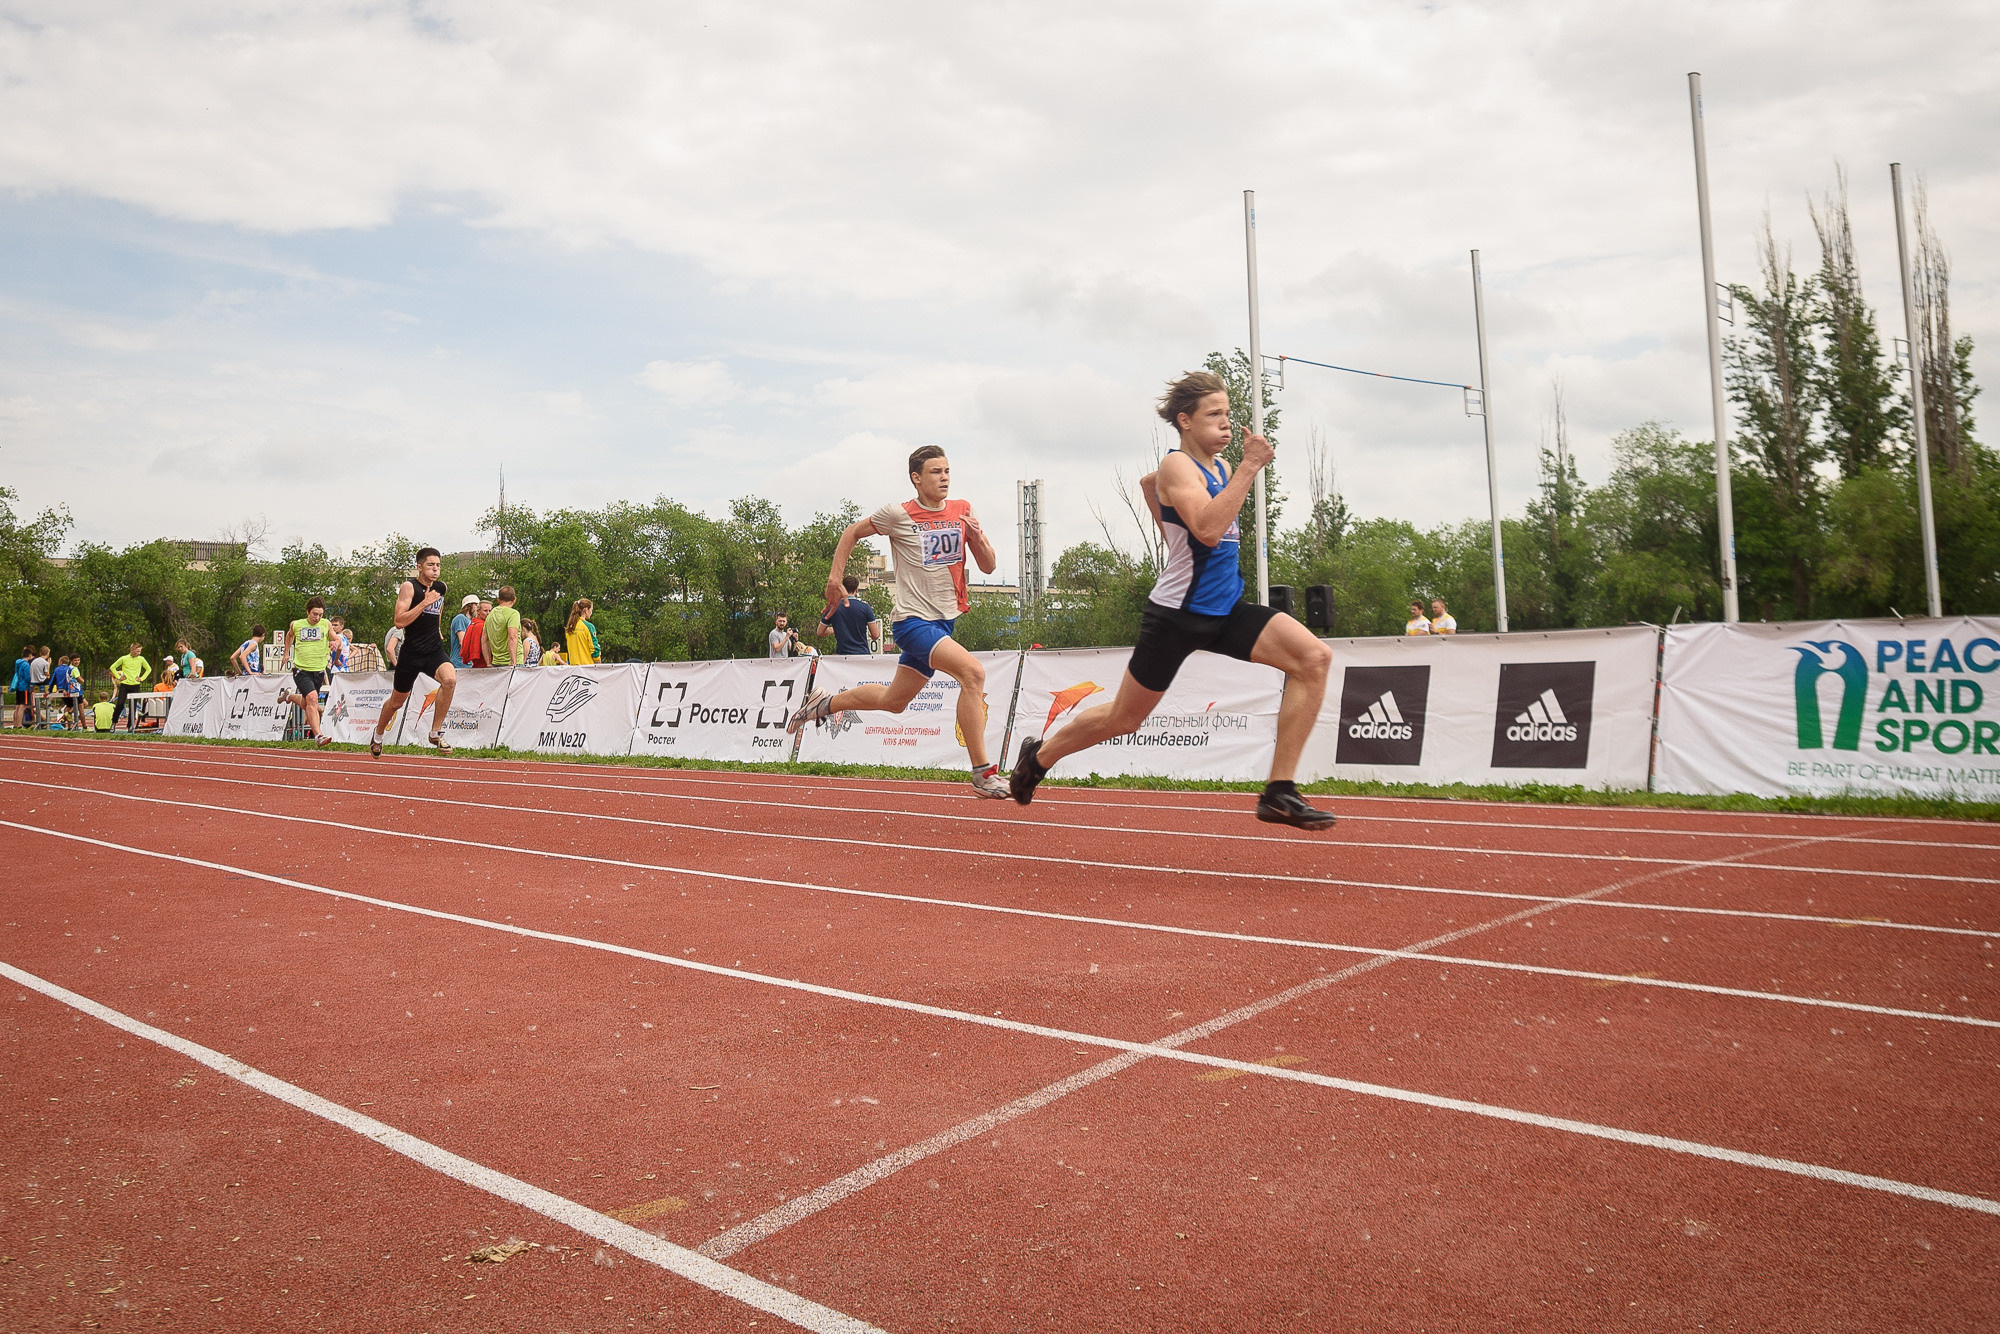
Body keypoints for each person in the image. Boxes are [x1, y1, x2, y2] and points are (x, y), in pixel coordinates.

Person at [1008, 371, 1337, 829]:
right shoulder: (1182, 466)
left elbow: (1152, 489)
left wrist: (1171, 527)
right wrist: (1249, 467)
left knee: (1314, 659)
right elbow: (1205, 528)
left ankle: (1279, 792)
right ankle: (1038, 758)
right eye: (1214, 415)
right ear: (1185, 421)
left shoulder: (1216, 468)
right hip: (1176, 616)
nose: (1226, 423)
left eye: (1228, 413)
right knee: (1124, 719)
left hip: (1225, 610)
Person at [787, 445, 1009, 799]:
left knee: (894, 701)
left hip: (943, 624)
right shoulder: (898, 513)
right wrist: (834, 579)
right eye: (936, 472)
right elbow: (851, 533)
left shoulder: (962, 510)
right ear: (916, 478)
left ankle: (824, 703)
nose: (944, 477)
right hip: (912, 622)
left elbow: (989, 567)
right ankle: (983, 773)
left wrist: (977, 536)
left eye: (947, 470)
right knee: (974, 674)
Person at [370, 547, 458, 757]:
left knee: (450, 680)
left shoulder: (440, 588)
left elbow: (439, 609)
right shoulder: (410, 587)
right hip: (411, 653)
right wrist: (425, 603)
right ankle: (378, 734)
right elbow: (399, 621)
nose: (435, 570)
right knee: (397, 702)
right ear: (419, 567)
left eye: (438, 565)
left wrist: (437, 627)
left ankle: (435, 732)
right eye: (430, 565)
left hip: (434, 649)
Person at [279, 596, 338, 746]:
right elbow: (289, 636)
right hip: (301, 670)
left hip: (318, 671)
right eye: (314, 614)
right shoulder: (297, 625)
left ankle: (289, 696)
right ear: (307, 612)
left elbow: (336, 638)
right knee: (312, 699)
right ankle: (318, 736)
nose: (317, 618)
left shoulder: (326, 624)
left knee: (306, 703)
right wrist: (286, 653)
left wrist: (335, 643)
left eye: (320, 615)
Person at [818, 576, 882, 655]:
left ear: (843, 589)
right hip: (862, 655)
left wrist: (833, 629)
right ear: (856, 590)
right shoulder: (865, 608)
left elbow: (820, 632)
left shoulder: (833, 608)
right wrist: (872, 636)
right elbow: (875, 635)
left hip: (842, 656)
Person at [109, 642, 152, 729]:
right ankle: (114, 722)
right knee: (120, 703)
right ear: (132, 650)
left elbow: (148, 669)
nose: (139, 653)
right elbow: (112, 667)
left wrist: (142, 678)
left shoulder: (141, 659)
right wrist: (118, 677)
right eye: (137, 651)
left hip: (135, 685)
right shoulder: (124, 658)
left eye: (140, 651)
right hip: (125, 685)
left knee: (133, 706)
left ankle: (130, 725)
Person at [485, 587, 523, 667]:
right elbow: (512, 636)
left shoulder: (490, 615)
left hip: (496, 662)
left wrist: (488, 662)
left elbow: (484, 639)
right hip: (513, 662)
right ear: (514, 600)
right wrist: (513, 661)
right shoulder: (513, 614)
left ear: (498, 599)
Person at [565, 599, 600, 665]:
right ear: (586, 610)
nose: (591, 613)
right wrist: (598, 661)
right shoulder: (589, 626)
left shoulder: (569, 627)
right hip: (587, 668)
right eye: (591, 610)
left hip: (573, 668)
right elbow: (594, 649)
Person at [450, 595, 477, 669]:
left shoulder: (471, 621)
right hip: (459, 662)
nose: (477, 607)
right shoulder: (460, 618)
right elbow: (463, 641)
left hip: (468, 663)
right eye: (476, 604)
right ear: (470, 605)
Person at [9, 646, 33, 727]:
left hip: (18, 686)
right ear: (29, 655)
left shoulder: (18, 663)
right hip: (24, 687)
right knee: (22, 706)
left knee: (17, 706)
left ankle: (15, 723)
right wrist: (32, 681)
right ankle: (19, 724)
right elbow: (27, 677)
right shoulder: (26, 665)